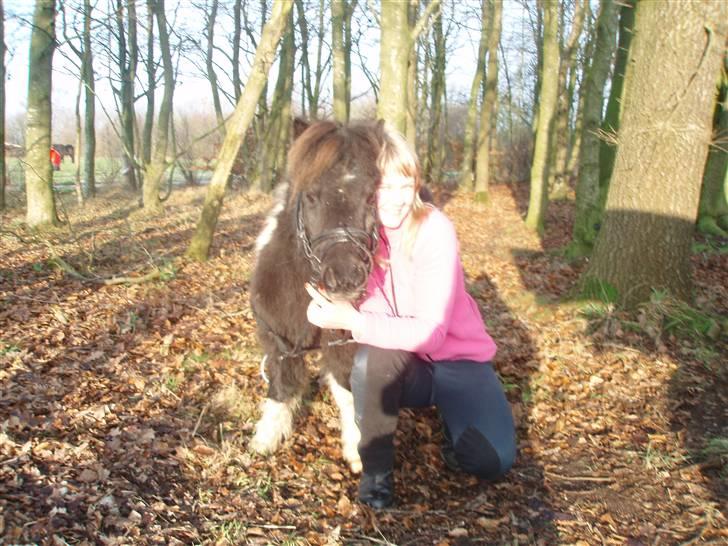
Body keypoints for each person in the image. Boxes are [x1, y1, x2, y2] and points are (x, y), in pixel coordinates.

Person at [305, 125, 516, 509]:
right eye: (386, 187)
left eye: (408, 185)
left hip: (458, 362)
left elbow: (431, 335)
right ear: (369, 191)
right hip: (405, 365)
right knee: (370, 363)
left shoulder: (435, 229)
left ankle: (456, 426)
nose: (399, 200)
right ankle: (376, 478)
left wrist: (351, 320)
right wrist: (327, 306)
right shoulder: (364, 237)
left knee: (492, 462)